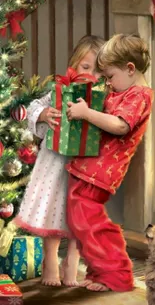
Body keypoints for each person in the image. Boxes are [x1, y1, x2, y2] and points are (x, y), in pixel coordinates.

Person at [14, 35, 105, 287]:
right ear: (74, 65)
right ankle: (51, 260)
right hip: (55, 166)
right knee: (54, 214)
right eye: (86, 68)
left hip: (85, 168)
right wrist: (43, 114)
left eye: (99, 71)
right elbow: (32, 108)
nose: (91, 75)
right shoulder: (59, 90)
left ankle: (72, 262)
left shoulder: (103, 99)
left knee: (79, 218)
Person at [66, 33, 153, 292]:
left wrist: (87, 112)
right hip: (87, 167)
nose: (109, 84)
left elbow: (119, 125)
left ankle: (117, 274)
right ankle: (98, 270)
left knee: (91, 222)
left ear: (130, 69)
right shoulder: (122, 90)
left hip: (101, 172)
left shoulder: (140, 95)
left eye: (111, 77)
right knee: (81, 223)